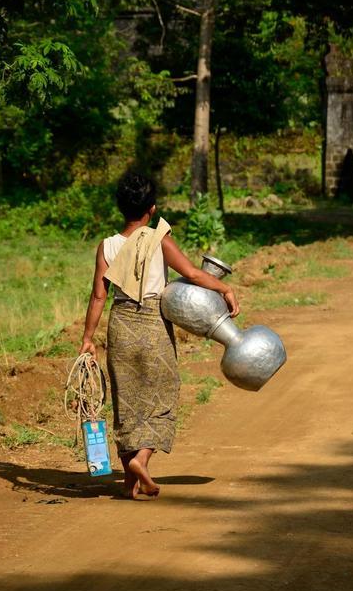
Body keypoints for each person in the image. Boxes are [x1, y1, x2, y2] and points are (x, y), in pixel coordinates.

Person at [79, 172, 240, 499]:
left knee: (126, 402)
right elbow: (193, 273)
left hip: (120, 324)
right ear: (151, 209)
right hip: (153, 324)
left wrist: (88, 338)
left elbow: (98, 296)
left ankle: (129, 480)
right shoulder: (159, 239)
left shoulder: (107, 247)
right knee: (163, 395)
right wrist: (224, 288)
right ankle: (142, 460)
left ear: (120, 208)